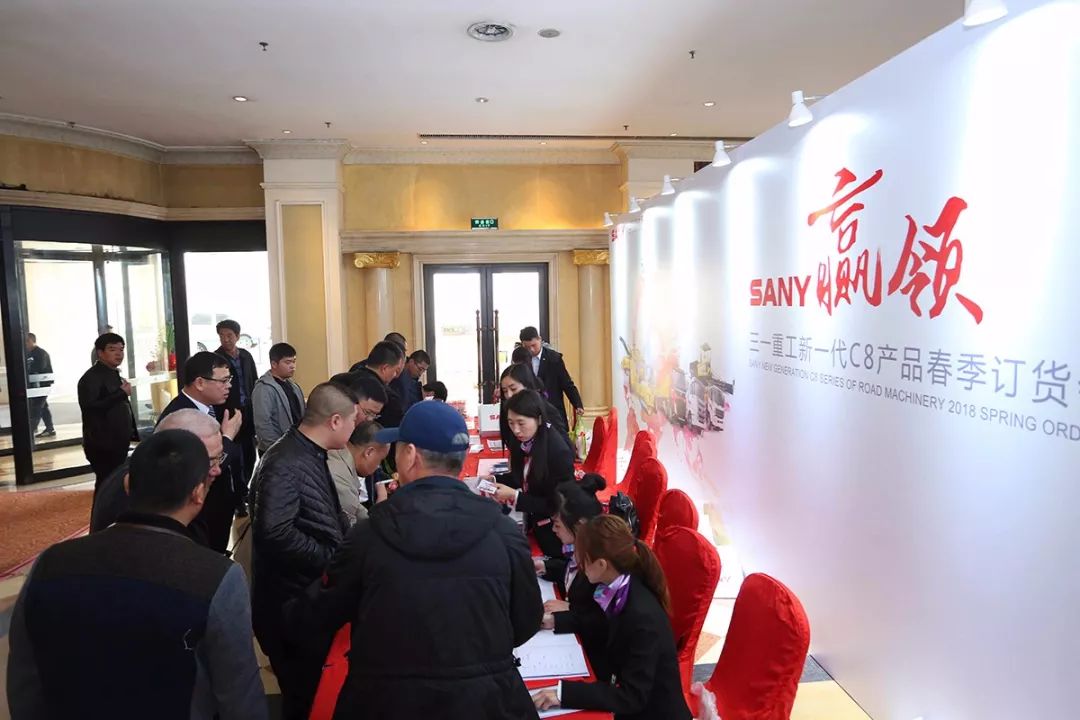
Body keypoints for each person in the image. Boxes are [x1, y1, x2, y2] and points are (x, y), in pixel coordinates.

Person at [289, 400, 542, 719]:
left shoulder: (368, 536)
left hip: (385, 702)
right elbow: (526, 619)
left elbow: (321, 612)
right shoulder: (503, 532)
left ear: (410, 455)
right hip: (484, 701)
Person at [7, 430, 268, 720]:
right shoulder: (217, 577)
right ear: (198, 493)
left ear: (128, 484)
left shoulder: (50, 562)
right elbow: (239, 695)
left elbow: (25, 681)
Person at [250, 382, 358, 720]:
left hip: (306, 599)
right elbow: (274, 532)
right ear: (335, 420)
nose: (355, 429)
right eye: (354, 420)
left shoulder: (309, 452)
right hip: (290, 607)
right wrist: (330, 559)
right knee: (304, 699)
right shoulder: (284, 460)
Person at [532, 515, 691, 720]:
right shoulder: (617, 586)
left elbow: (632, 696)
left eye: (583, 559)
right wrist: (556, 621)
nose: (579, 564)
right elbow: (600, 622)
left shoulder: (642, 617)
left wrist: (563, 694)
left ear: (601, 564)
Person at [90, 409, 226, 541]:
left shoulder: (153, 479)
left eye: (219, 457)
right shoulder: (151, 502)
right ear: (171, 455)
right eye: (210, 460)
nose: (217, 470)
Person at [158, 352, 244, 553]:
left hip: (218, 505)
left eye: (229, 379)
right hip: (201, 513)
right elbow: (203, 469)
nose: (229, 386)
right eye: (223, 381)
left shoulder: (211, 408)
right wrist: (227, 438)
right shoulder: (180, 417)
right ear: (200, 383)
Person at [536, 475, 611, 681]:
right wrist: (545, 566)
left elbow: (602, 621)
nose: (553, 530)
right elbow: (572, 573)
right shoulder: (580, 548)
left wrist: (565, 614)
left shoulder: (602, 565)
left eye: (557, 524)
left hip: (595, 656)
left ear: (579, 525)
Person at [491, 389, 575, 558]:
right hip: (531, 521)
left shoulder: (557, 452)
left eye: (521, 423)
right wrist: (494, 479)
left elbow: (556, 504)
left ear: (539, 419)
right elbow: (522, 476)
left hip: (553, 532)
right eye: (510, 423)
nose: (516, 430)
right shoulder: (525, 441)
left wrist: (515, 496)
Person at [78, 332, 138, 494]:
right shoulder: (91, 377)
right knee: (106, 485)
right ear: (100, 353)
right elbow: (90, 408)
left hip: (117, 440)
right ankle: (101, 511)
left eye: (121, 349)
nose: (119, 354)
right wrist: (121, 393)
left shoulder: (113, 373)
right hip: (102, 443)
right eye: (112, 349)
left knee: (115, 484)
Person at [215, 319, 258, 514]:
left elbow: (254, 381)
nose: (225, 339)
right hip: (228, 411)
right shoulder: (216, 359)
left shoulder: (246, 356)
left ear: (238, 336)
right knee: (235, 457)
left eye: (229, 335)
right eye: (222, 336)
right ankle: (238, 497)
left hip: (247, 410)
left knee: (249, 454)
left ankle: (244, 490)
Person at [519, 326, 584, 432]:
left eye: (533, 345)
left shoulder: (554, 358)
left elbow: (567, 383)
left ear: (539, 339)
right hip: (530, 413)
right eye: (527, 347)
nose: (531, 350)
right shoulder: (521, 359)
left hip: (553, 410)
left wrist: (577, 404)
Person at [327, 421, 390, 525]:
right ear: (369, 452)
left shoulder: (337, 454)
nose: (378, 466)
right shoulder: (342, 480)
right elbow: (350, 529)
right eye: (380, 460)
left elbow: (356, 508)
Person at [499, 362, 570, 451]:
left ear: (527, 386)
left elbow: (564, 447)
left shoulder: (546, 410)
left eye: (513, 389)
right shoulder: (509, 410)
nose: (509, 395)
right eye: (505, 391)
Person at [253, 342, 305, 453]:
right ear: (274, 364)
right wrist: (277, 449)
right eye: (288, 362)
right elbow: (263, 424)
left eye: (294, 361)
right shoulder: (263, 388)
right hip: (275, 450)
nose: (293, 366)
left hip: (295, 445)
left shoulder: (292, 385)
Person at [25, 332, 56, 439]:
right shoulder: (28, 354)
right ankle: (50, 428)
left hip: (42, 385)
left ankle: (30, 431)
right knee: (43, 407)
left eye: (27, 341)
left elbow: (40, 368)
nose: (25, 344)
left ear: (32, 341)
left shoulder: (41, 353)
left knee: (36, 407)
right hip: (35, 386)